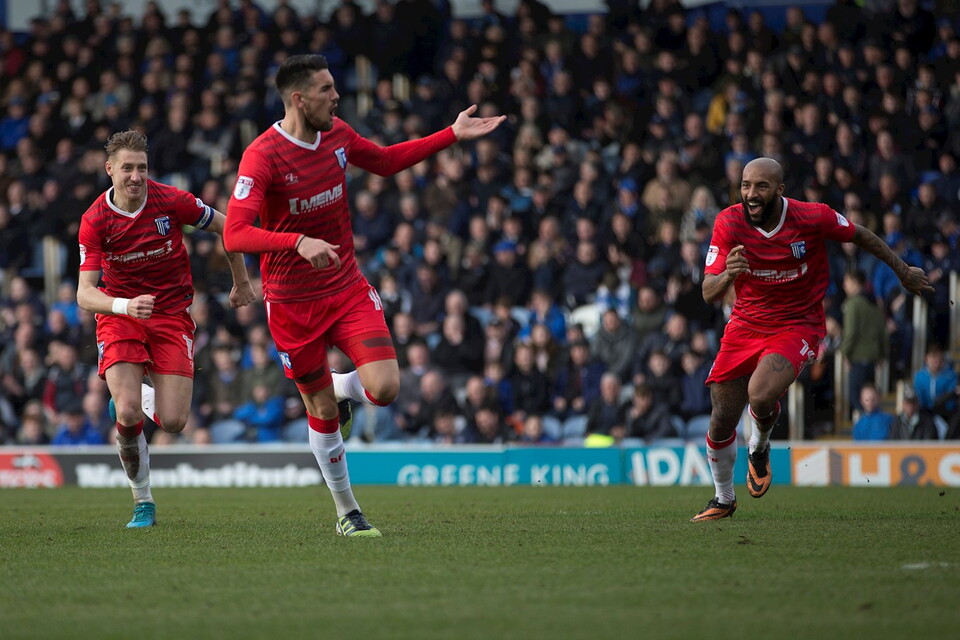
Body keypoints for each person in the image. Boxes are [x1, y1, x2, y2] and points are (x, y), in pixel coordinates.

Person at [223, 54, 504, 537]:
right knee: (321, 412)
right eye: (327, 89)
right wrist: (296, 241)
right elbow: (234, 233)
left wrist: (451, 135)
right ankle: (347, 512)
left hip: (346, 288)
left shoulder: (337, 134)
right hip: (291, 304)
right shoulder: (262, 155)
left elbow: (387, 161)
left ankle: (341, 387)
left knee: (386, 389)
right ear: (299, 99)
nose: (337, 96)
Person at [692, 157, 932, 522]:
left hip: (797, 324)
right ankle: (723, 499)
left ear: (780, 190)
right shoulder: (729, 222)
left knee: (760, 393)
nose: (751, 194)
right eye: (745, 185)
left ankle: (758, 446)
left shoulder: (812, 216)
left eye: (761, 186)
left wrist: (902, 271)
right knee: (721, 416)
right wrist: (727, 275)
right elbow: (708, 292)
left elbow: (860, 234)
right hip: (744, 325)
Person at [77, 130, 255, 528]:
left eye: (142, 167)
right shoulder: (95, 220)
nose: (136, 176)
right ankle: (143, 501)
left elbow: (229, 228)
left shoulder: (172, 201)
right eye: (127, 168)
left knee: (174, 421)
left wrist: (241, 281)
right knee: (127, 414)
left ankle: (134, 397)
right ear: (110, 170)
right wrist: (124, 305)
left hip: (172, 314)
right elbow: (84, 293)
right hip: (121, 315)